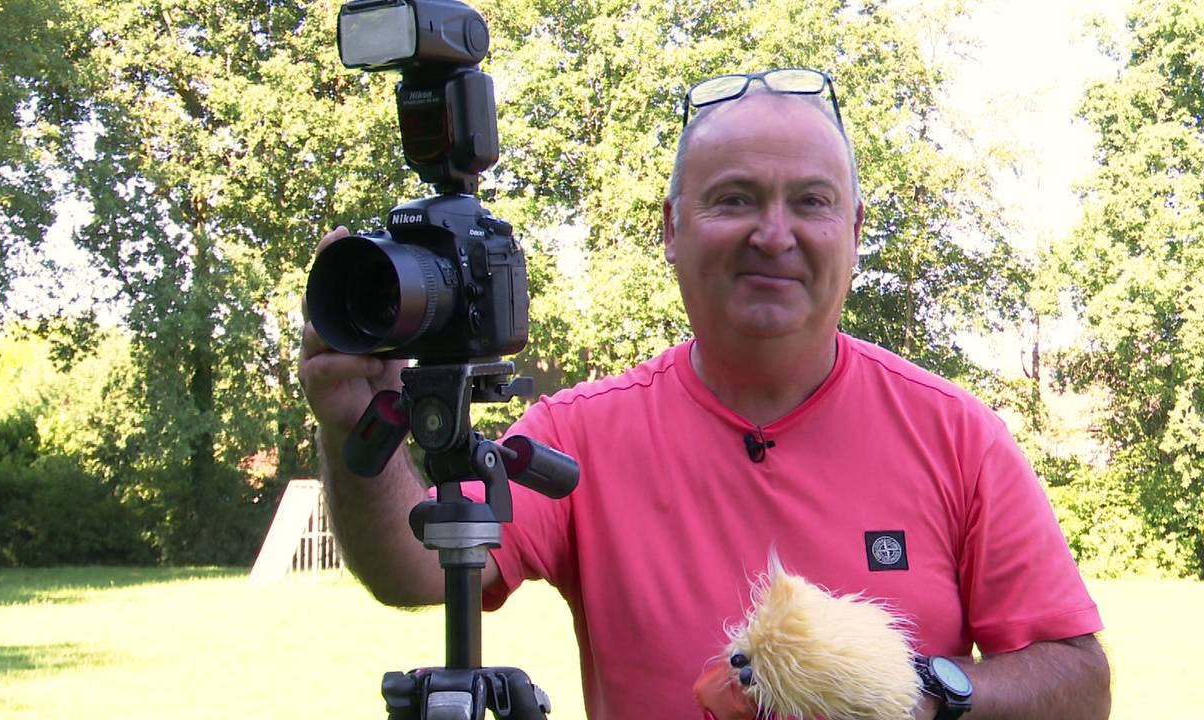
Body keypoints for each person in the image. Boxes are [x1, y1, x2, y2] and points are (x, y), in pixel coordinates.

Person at [299, 68, 1110, 720]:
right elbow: (418, 570)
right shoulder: (580, 435)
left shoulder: (955, 434)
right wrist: (349, 430)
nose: (774, 233)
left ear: (856, 231)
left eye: (811, 201)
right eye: (734, 198)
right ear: (671, 228)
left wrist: (926, 692)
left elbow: (1079, 682)